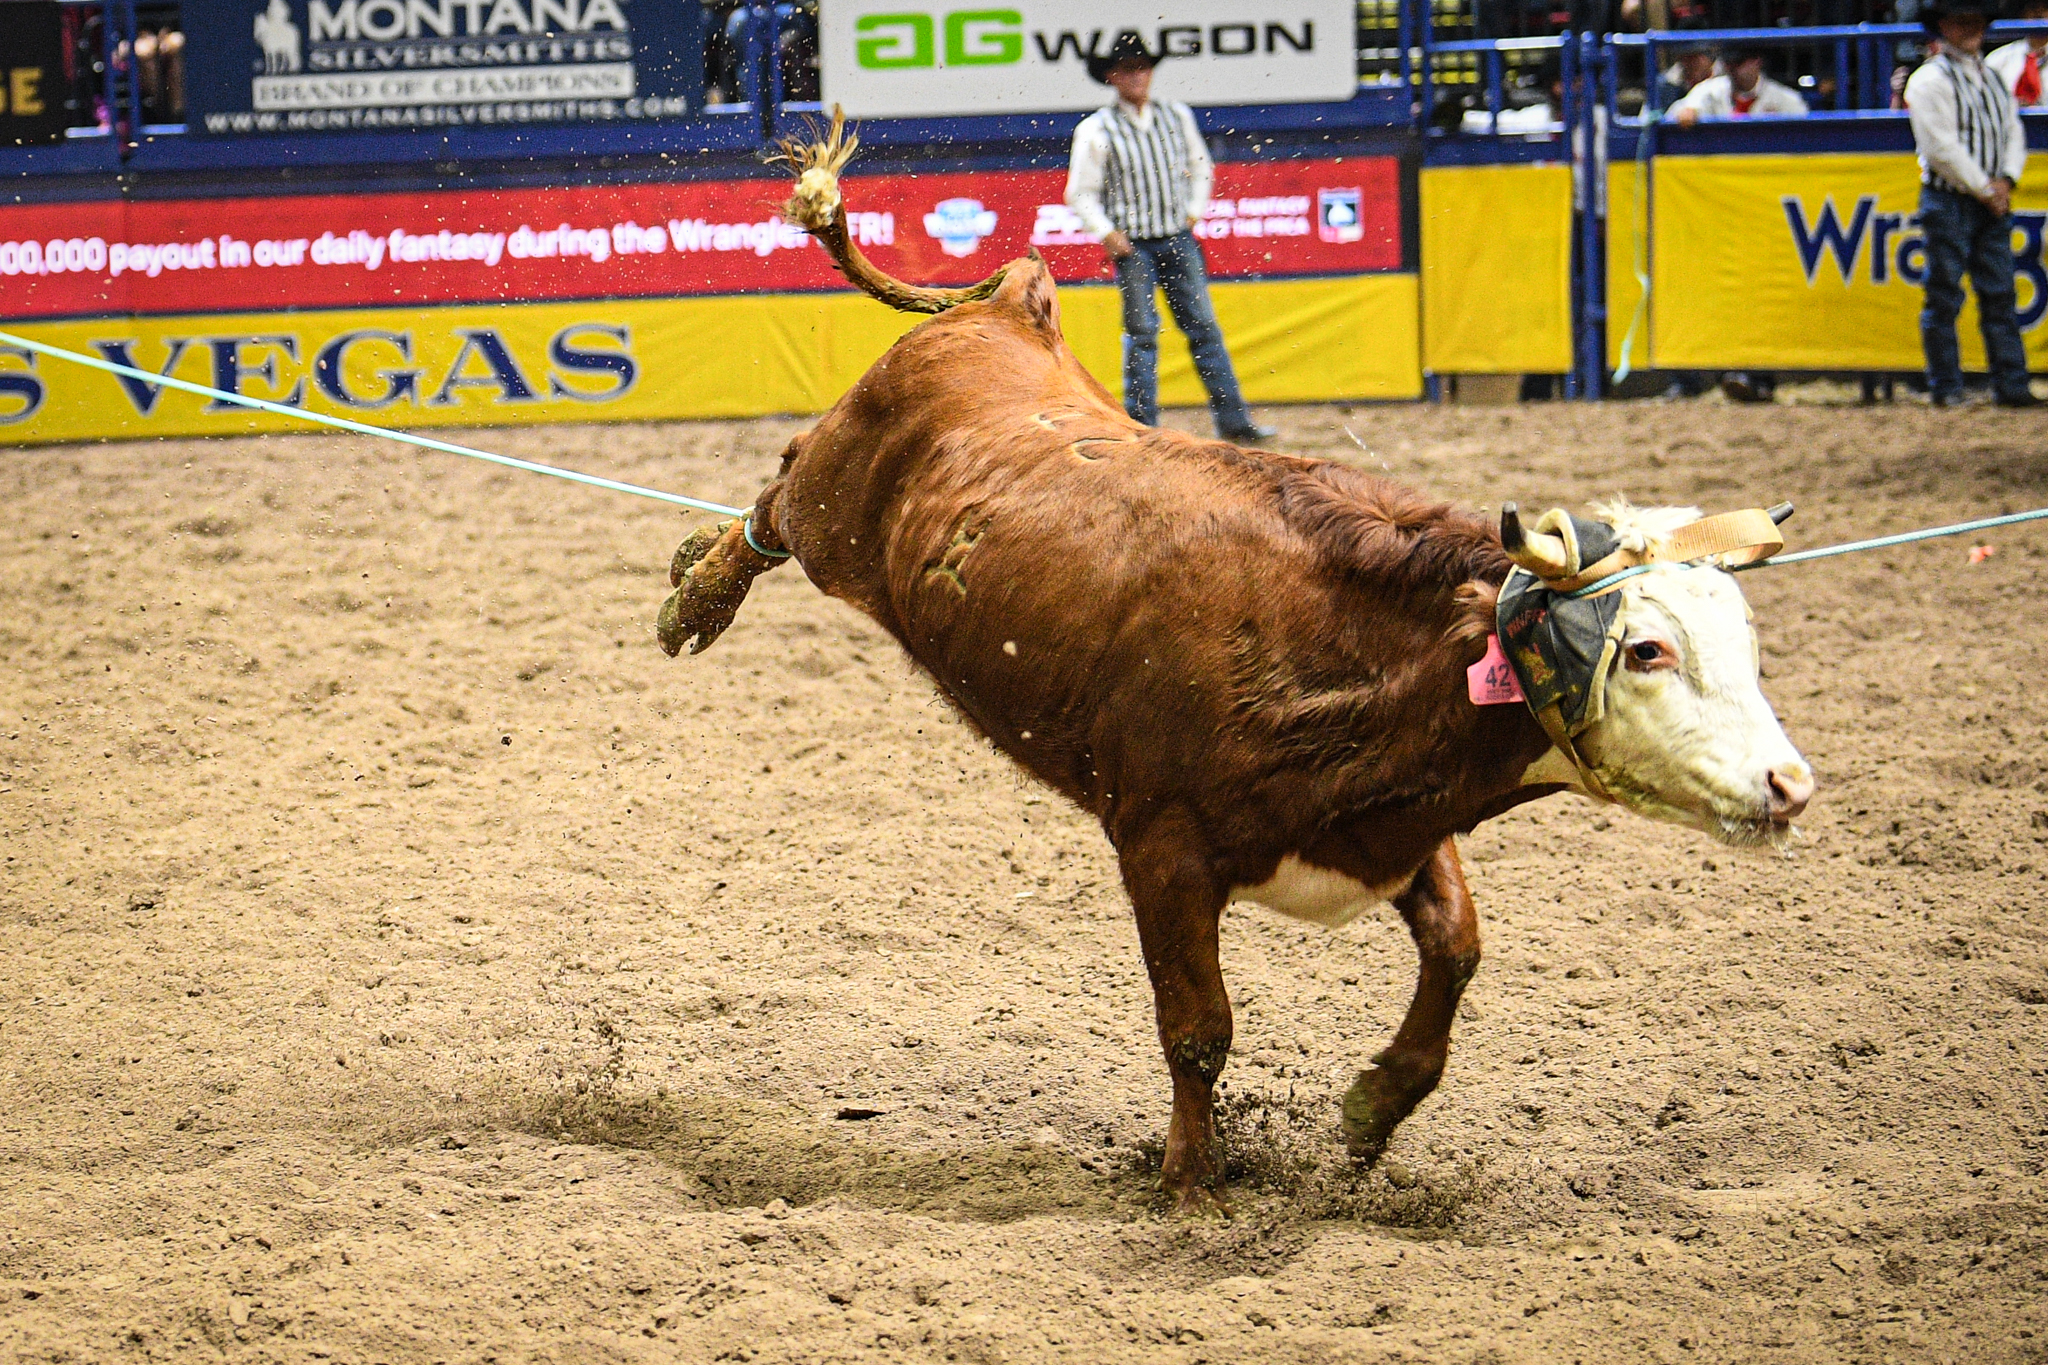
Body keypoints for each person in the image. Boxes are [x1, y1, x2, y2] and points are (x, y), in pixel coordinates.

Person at [1063, 34, 1274, 442]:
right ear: (1112, 76)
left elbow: (1201, 167)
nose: (1136, 75)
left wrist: (1192, 211)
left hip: (1176, 237)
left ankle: (1234, 422)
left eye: (1141, 66)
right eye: (1127, 68)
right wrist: (1107, 232)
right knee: (1143, 335)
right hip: (1135, 245)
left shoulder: (1176, 115)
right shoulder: (1097, 129)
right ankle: (1142, 428)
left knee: (1203, 330)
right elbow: (1080, 192)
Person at [1907, 0, 2037, 405]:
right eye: (1962, 22)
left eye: (1976, 21)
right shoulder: (1929, 80)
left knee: (2000, 294)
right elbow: (1940, 148)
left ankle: (2011, 387)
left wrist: (2006, 179)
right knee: (1945, 295)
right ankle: (1946, 388)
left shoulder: (1993, 75)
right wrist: (1989, 188)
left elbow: (2012, 130)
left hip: (1986, 198)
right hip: (1950, 199)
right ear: (1943, 26)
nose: (1971, 29)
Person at [1669, 45, 1810, 124]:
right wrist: (1686, 112)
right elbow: (1680, 110)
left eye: (1739, 63)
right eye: (1729, 64)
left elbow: (1804, 128)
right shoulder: (1711, 89)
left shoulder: (1783, 97)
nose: (1733, 69)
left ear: (1757, 62)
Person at [1985, 0, 2048, 103]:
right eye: (2033, 7)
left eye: (2046, 7)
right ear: (2023, 13)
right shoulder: (1998, 60)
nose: (2039, 13)